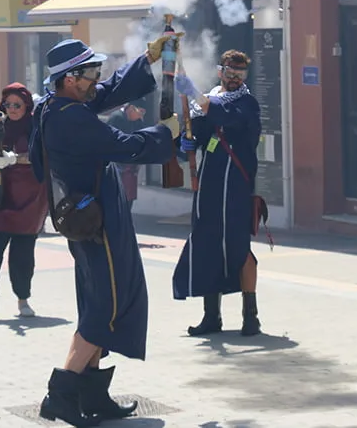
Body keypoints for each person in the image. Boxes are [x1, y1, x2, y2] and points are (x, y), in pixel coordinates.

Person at [29, 37, 177, 427]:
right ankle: (59, 397)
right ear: (70, 78)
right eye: (91, 72)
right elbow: (125, 145)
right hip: (98, 221)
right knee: (105, 308)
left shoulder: (55, 106)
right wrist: (168, 133)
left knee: (100, 301)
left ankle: (92, 397)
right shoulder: (69, 116)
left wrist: (148, 59)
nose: (97, 78)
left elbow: (108, 92)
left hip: (89, 215)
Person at [172, 50, 263, 336]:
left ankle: (251, 317)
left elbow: (228, 117)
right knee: (207, 244)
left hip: (236, 184)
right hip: (209, 184)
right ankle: (212, 317)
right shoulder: (208, 102)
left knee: (239, 246)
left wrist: (196, 94)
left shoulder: (247, 103)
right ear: (219, 71)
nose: (234, 78)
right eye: (229, 72)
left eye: (240, 74)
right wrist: (184, 144)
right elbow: (195, 131)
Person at [0, 82, 48, 322]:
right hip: (3, 196)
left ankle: (23, 300)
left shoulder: (36, 127)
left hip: (31, 198)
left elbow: (41, 157)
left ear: (26, 105)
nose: (12, 109)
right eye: (8, 105)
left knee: (23, 254)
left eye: (17, 104)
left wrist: (14, 159)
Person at [104, 99, 148, 205]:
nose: (141, 116)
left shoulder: (138, 122)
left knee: (128, 198)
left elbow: (142, 140)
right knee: (116, 197)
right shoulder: (117, 118)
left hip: (131, 165)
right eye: (140, 112)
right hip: (115, 163)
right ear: (131, 108)